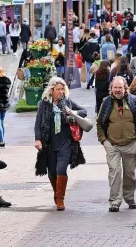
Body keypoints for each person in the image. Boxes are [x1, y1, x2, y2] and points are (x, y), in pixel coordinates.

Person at [34, 77, 87, 211]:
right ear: (51, 90)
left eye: (63, 89)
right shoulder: (43, 104)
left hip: (66, 143)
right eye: (58, 89)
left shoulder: (67, 102)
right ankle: (57, 193)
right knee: (52, 172)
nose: (61, 91)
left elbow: (84, 111)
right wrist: (38, 139)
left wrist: (72, 112)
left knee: (61, 169)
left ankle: (60, 198)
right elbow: (38, 124)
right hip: (49, 144)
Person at [96, 76, 136, 212]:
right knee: (115, 172)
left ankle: (129, 198)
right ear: (111, 88)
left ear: (125, 88)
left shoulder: (133, 101)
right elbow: (99, 123)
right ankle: (115, 202)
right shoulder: (106, 102)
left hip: (131, 144)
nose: (117, 90)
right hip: (112, 145)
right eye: (115, 87)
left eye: (120, 87)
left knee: (129, 174)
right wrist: (104, 141)